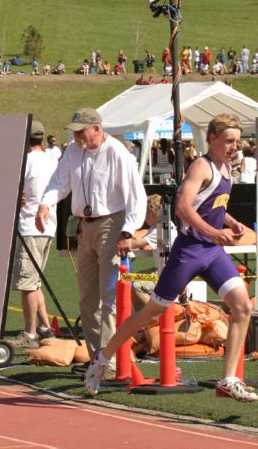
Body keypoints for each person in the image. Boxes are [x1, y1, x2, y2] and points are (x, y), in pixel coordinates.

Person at [85, 114, 258, 402]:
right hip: (189, 250)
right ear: (212, 138)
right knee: (149, 313)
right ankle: (103, 357)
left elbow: (212, 203)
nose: (234, 146)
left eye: (237, 141)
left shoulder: (226, 167)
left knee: (241, 307)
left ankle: (228, 379)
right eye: (228, 140)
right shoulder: (201, 166)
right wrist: (215, 232)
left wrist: (230, 221)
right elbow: (183, 207)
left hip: (211, 252)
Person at [37, 108, 146, 371]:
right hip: (86, 226)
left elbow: (135, 195)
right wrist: (45, 204)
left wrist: (127, 231)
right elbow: (58, 182)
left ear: (97, 128)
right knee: (87, 297)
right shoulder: (73, 151)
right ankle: (97, 355)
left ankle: (108, 360)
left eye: (81, 129)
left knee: (110, 296)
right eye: (74, 129)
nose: (76, 134)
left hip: (112, 223)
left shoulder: (117, 152)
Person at [10, 121, 59, 348]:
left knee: (28, 283)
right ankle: (45, 327)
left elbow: (13, 189)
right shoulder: (51, 159)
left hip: (30, 224)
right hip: (48, 225)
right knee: (35, 281)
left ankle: (29, 334)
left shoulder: (27, 160)